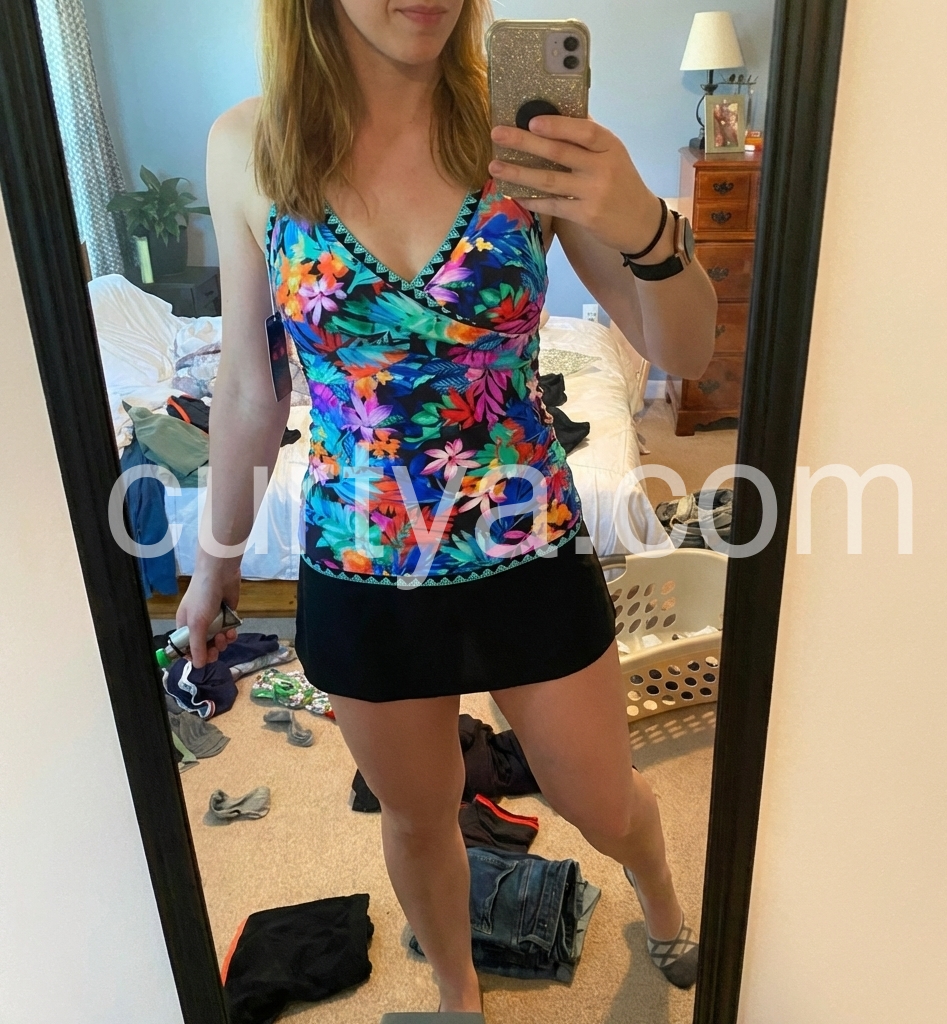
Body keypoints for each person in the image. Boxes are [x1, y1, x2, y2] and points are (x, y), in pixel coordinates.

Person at [179, 0, 717, 1015]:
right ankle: (458, 994)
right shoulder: (250, 144)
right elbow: (252, 387)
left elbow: (686, 351)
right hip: (361, 566)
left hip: (528, 546)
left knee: (601, 799)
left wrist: (643, 223)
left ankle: (660, 894)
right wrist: (215, 566)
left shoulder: (521, 136)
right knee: (418, 813)